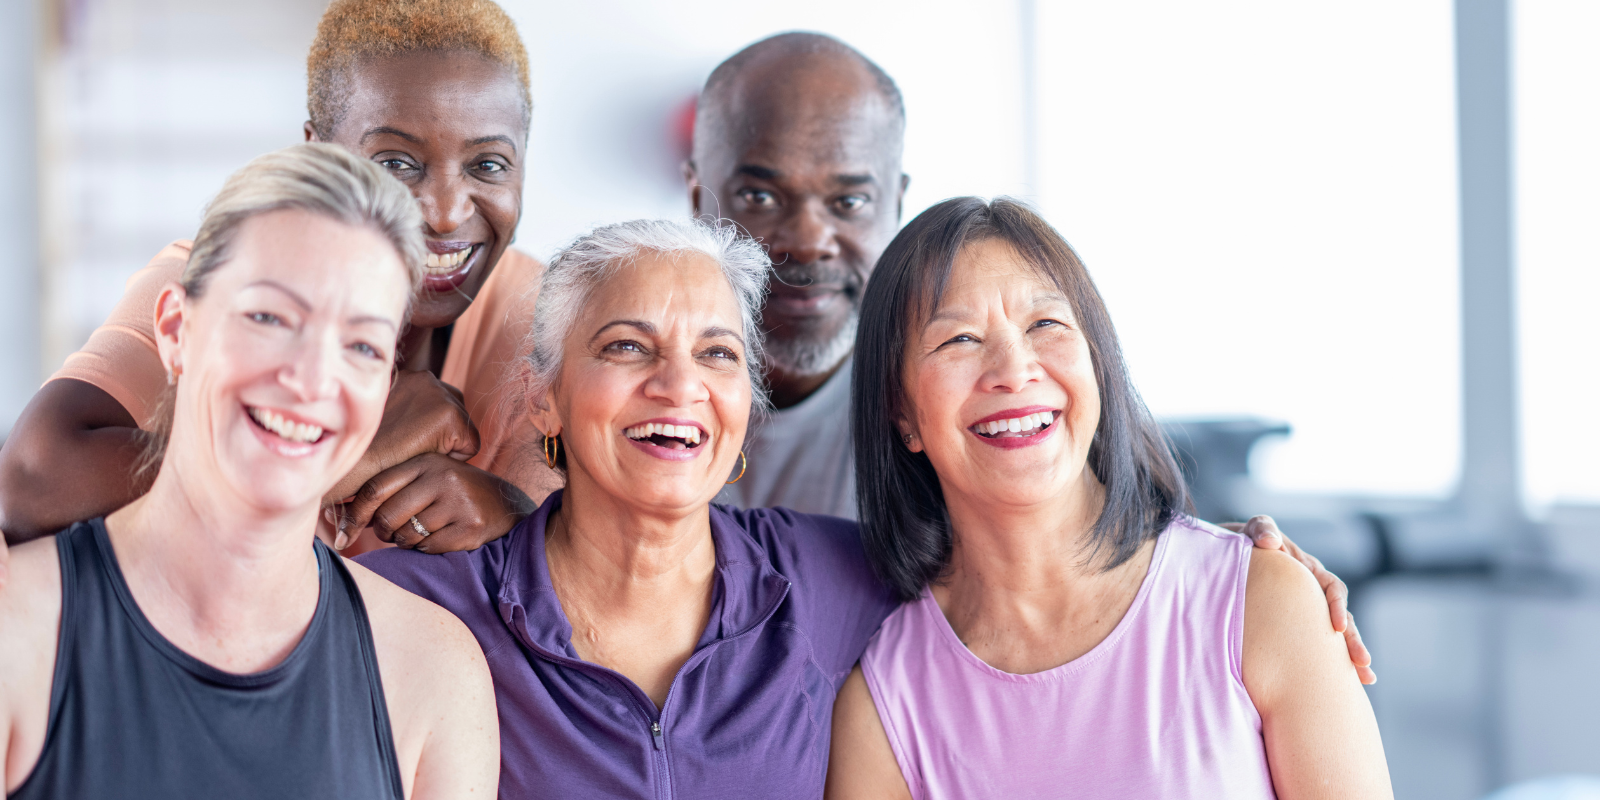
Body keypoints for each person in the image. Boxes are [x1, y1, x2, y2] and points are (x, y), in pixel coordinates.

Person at [687, 31, 1373, 683]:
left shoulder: (959, 398)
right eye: (760, 196)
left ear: (894, 201)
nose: (809, 238)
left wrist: (1238, 567)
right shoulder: (633, 398)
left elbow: (1115, 552)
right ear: (697, 198)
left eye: (850, 200)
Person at [825, 198, 1392, 799]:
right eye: (960, 339)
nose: (1013, 370)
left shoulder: (1264, 603)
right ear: (901, 413)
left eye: (1045, 324)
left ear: (1096, 361)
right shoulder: (881, 706)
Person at [0, 144, 498, 799]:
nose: (311, 379)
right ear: (175, 329)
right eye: (269, 318)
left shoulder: (434, 675)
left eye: (361, 345)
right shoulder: (17, 627)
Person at [357, 218, 900, 797]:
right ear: (543, 398)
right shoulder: (411, 606)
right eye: (628, 347)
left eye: (717, 352)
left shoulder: (829, 576)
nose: (680, 385)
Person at [0, 0, 558, 555]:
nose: (446, 213)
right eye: (395, 163)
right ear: (318, 154)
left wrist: (515, 514)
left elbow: (583, 570)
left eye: (488, 165)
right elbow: (32, 483)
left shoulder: (543, 320)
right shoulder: (227, 277)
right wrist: (348, 461)